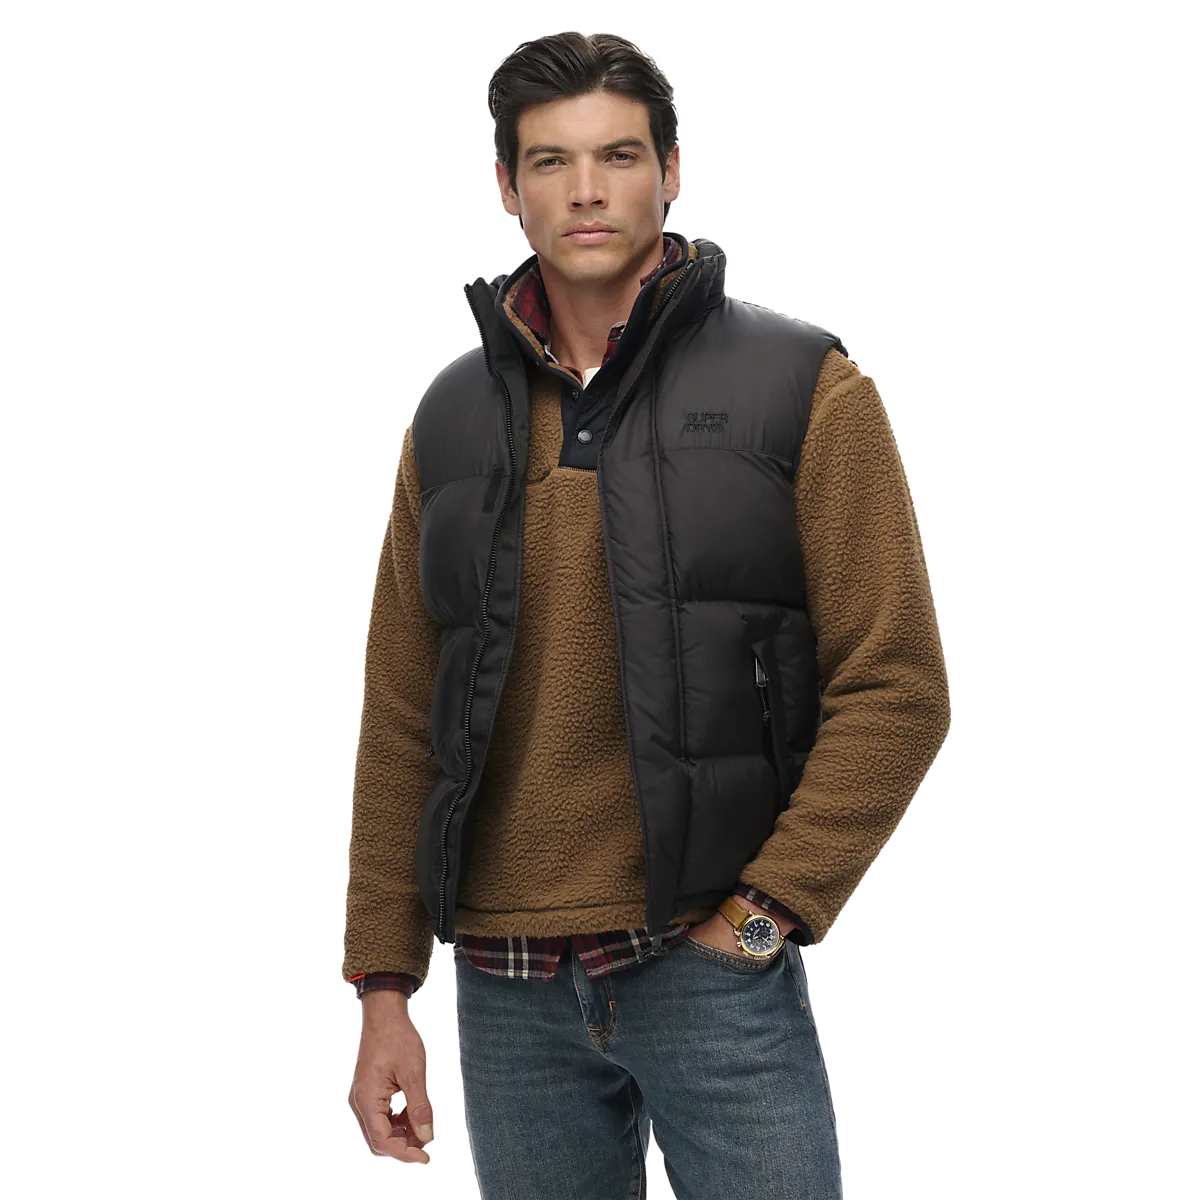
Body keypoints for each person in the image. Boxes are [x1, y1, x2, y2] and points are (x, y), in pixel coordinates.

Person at [344, 30, 952, 1197]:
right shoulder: (452, 418)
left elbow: (896, 687)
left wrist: (763, 921)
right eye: (550, 161)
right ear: (505, 184)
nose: (586, 190)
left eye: (618, 155)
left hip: (707, 967)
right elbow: (404, 718)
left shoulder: (804, 388)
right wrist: (383, 988)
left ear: (670, 171)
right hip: (504, 988)